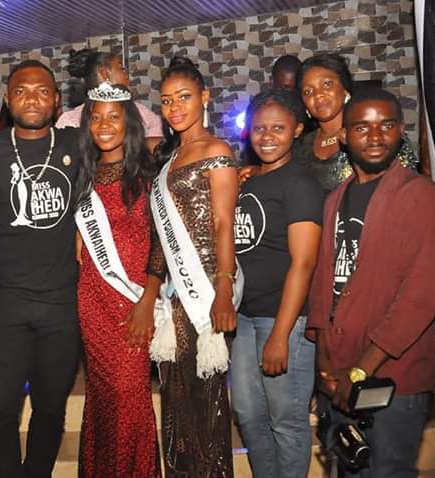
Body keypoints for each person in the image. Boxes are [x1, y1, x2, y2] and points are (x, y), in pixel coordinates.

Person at [308, 88, 435, 477]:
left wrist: (359, 371)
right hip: (338, 377)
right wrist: (326, 366)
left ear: (401, 130)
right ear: (343, 136)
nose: (375, 137)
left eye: (386, 126)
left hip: (392, 379)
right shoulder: (335, 199)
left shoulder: (421, 196)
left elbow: (422, 296)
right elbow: (323, 284)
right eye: (362, 127)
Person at [0, 60, 82, 478]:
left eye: (41, 91)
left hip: (61, 305)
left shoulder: (78, 144)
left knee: (51, 409)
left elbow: (128, 163)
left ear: (56, 100)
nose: (31, 99)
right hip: (6, 305)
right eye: (21, 91)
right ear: (7, 99)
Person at [151, 56, 239, 477]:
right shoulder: (169, 158)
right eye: (167, 100)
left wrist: (223, 288)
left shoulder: (217, 150)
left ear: (205, 97)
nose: (175, 108)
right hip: (174, 293)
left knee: (207, 399)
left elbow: (224, 223)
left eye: (184, 97)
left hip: (204, 289)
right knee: (176, 396)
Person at [230, 89, 322, 478]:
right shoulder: (249, 179)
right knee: (248, 413)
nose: (267, 136)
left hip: (283, 319)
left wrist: (281, 335)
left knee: (286, 419)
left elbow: (304, 263)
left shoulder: (300, 183)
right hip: (245, 316)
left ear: (297, 130)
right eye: (259, 128)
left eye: (278, 128)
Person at [74, 82, 161, 477]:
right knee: (103, 395)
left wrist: (148, 300)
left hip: (134, 300)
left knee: (129, 393)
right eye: (97, 118)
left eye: (114, 117)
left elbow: (160, 242)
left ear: (129, 124)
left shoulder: (147, 172)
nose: (105, 125)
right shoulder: (83, 175)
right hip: (92, 299)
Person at [294, 53, 418, 191]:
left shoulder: (377, 136)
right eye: (308, 92)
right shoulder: (300, 147)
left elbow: (407, 188)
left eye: (327, 84)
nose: (318, 95)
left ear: (345, 90)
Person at [56, 48, 163, 149]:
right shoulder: (70, 121)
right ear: (104, 73)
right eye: (121, 69)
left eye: (114, 117)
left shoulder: (142, 112)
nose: (127, 76)